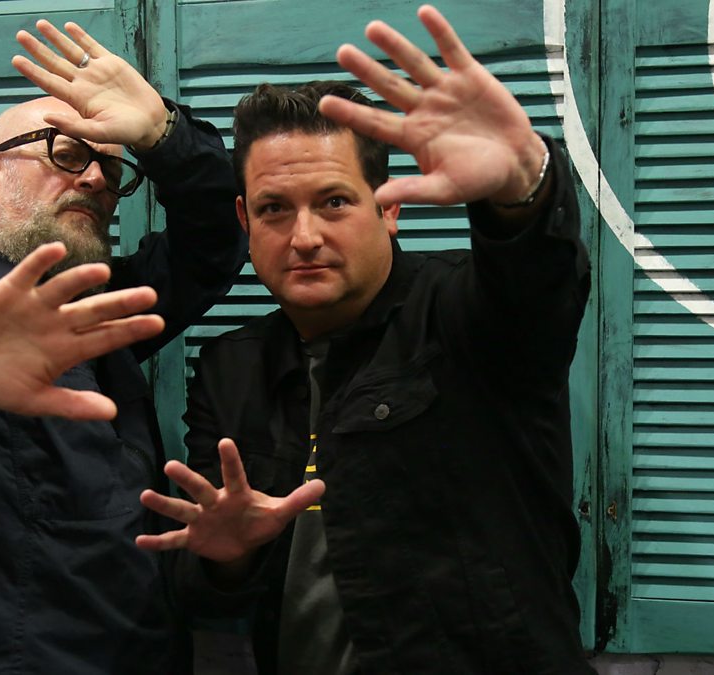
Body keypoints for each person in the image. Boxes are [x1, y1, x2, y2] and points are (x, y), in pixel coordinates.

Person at [137, 6, 593, 674]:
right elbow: (203, 579)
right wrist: (228, 558)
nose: (304, 237)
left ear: (389, 206)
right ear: (244, 219)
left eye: (334, 202)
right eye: (274, 209)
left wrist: (525, 183)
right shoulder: (232, 368)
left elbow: (537, 277)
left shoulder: (467, 314)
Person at [0, 19, 245, 674]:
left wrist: (163, 135)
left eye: (110, 167)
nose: (95, 180)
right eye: (66, 153)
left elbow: (214, 242)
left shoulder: (97, 306)